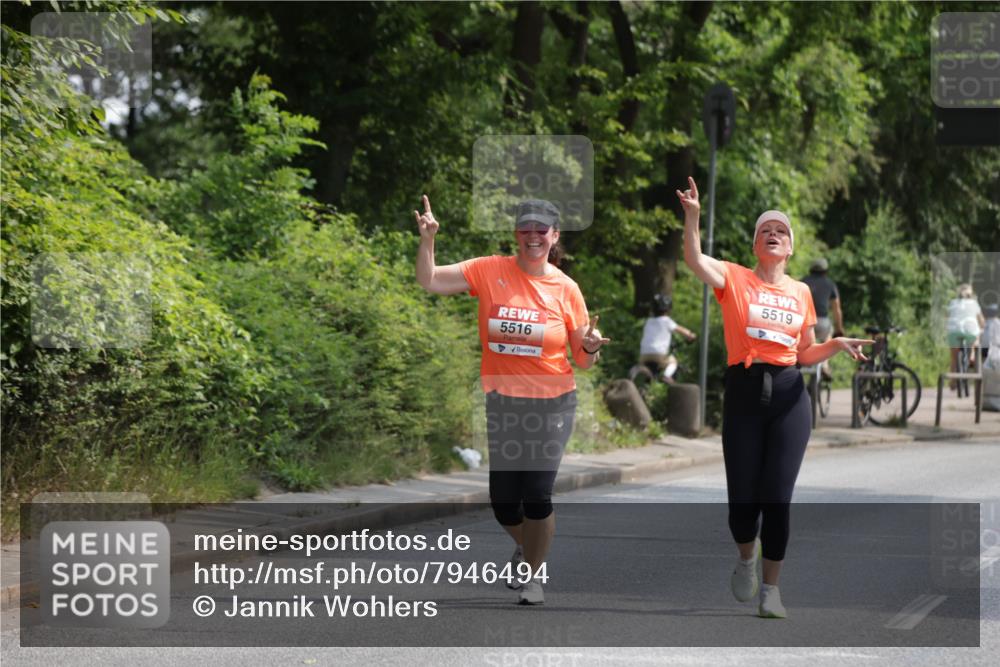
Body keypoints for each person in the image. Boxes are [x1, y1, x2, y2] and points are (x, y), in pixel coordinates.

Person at [677, 177, 873, 619]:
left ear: (789, 248)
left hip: (788, 394)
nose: (774, 233)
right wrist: (693, 217)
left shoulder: (802, 292)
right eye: (766, 229)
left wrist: (835, 344)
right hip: (745, 392)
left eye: (781, 232)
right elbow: (692, 258)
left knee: (777, 498)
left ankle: (772, 590)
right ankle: (747, 557)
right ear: (756, 245)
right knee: (743, 506)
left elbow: (804, 353)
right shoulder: (735, 278)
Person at [414, 195, 609, 606]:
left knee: (537, 494)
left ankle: (535, 575)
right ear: (516, 234)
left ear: (554, 236)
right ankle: (528, 547)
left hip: (554, 401)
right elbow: (430, 280)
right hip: (503, 400)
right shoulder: (490, 270)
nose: (533, 236)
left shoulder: (566, 288)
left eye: (542, 230)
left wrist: (590, 346)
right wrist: (428, 240)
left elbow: (582, 360)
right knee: (504, 502)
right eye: (526, 229)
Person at [638, 293, 697, 384]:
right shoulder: (666, 321)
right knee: (673, 362)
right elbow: (681, 330)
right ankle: (667, 376)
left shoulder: (648, 321)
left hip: (643, 355)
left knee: (650, 373)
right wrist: (691, 335)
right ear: (668, 309)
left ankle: (646, 385)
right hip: (658, 354)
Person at [946, 283, 985, 383]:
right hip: (970, 331)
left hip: (953, 331)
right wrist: (982, 328)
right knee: (976, 335)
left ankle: (952, 382)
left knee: (953, 358)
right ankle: (971, 355)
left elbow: (948, 316)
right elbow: (981, 321)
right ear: (971, 295)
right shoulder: (974, 303)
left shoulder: (952, 302)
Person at [801, 258, 845, 342]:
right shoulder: (830, 284)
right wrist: (839, 329)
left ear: (811, 269)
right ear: (826, 271)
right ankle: (825, 353)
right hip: (822, 322)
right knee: (828, 335)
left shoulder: (802, 282)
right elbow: (837, 309)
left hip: (804, 321)